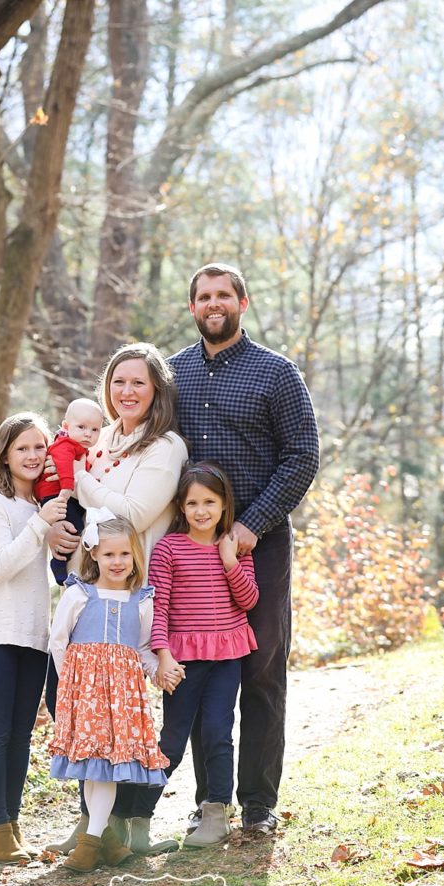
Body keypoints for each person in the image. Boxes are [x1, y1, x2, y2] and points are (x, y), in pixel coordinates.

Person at [170, 262, 319, 834]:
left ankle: (257, 805)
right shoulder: (173, 373)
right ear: (192, 308)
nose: (213, 303)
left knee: (259, 669)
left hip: (261, 542)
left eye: (223, 295)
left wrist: (251, 525)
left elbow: (302, 456)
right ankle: (211, 802)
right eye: (203, 296)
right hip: (192, 549)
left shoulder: (276, 373)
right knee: (201, 671)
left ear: (242, 302)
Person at [44, 342, 188, 854]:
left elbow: (133, 510)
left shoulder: (164, 447)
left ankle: (121, 825)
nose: (127, 391)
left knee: (126, 711)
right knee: (72, 699)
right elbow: (76, 509)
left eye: (139, 383)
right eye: (118, 381)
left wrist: (80, 482)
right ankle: (94, 820)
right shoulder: (99, 437)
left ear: (156, 391)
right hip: (87, 584)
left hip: (134, 591)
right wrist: (60, 532)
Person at [0, 412, 70, 863]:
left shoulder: (43, 505)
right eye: (22, 447)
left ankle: (11, 825)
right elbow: (4, 564)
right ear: (5, 454)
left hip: (34, 635)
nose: (32, 455)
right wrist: (41, 525)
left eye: (39, 447)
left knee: (23, 735)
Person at [140, 461, 259, 848]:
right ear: (181, 507)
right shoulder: (168, 549)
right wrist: (162, 655)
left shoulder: (235, 548)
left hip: (227, 655)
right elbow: (159, 608)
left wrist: (229, 561)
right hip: (182, 658)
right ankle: (135, 819)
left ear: (225, 504)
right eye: (193, 503)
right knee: (172, 739)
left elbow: (248, 599)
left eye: (210, 501)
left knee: (217, 734)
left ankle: (217, 814)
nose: (202, 511)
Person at [48, 513, 170, 872]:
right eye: (109, 555)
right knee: (94, 769)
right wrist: (70, 685)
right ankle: (105, 844)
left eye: (124, 555)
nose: (117, 563)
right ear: (94, 556)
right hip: (84, 693)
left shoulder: (141, 600)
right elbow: (58, 642)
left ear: (135, 557)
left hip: (123, 698)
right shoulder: (78, 594)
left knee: (105, 768)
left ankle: (94, 844)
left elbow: (144, 648)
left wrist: (159, 669)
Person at [33, 398, 104, 585]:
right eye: (81, 427)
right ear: (66, 425)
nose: (88, 434)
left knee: (80, 522)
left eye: (95, 430)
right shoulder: (64, 445)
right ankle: (59, 562)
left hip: (65, 494)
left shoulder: (78, 446)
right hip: (56, 494)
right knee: (73, 528)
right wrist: (66, 488)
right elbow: (65, 468)